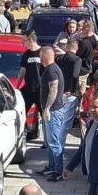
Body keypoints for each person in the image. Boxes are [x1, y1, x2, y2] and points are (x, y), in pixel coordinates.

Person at [38, 45, 72, 181]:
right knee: (50, 142)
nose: (39, 58)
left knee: (54, 142)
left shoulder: (52, 70)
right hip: (50, 110)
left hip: (53, 111)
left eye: (41, 55)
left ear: (46, 56)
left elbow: (53, 89)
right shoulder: (50, 69)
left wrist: (47, 108)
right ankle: (51, 167)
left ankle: (58, 171)